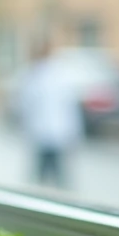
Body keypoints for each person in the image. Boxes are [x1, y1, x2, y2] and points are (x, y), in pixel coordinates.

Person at [13, 39, 84, 189]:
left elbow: (25, 106)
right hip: (48, 132)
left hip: (52, 132)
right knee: (49, 176)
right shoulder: (36, 74)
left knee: (52, 176)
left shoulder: (48, 74)